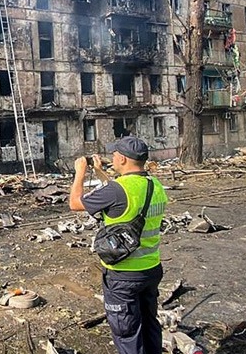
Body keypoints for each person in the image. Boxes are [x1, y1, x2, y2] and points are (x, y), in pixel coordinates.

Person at [69, 136, 168, 354]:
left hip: (123, 276)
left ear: (122, 159)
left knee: (128, 333)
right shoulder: (155, 185)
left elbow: (75, 203)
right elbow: (119, 194)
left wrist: (80, 172)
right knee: (149, 325)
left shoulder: (117, 190)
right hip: (151, 269)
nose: (112, 158)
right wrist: (99, 172)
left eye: (114, 154)